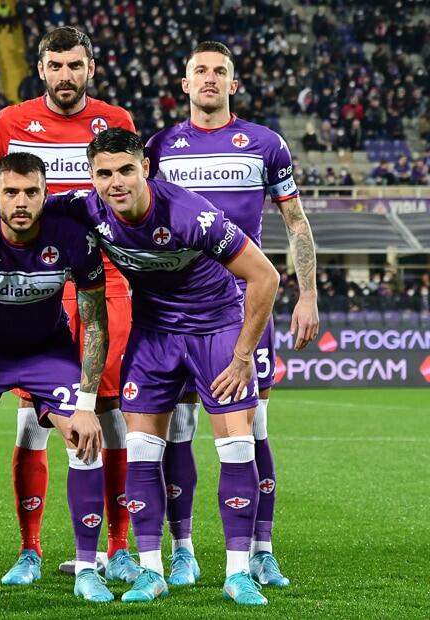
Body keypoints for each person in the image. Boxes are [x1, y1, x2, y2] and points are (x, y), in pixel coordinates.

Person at [12, 128, 278, 605]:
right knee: (140, 448)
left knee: (236, 446)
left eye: (126, 170)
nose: (116, 182)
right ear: (91, 177)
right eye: (104, 173)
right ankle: (151, 571)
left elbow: (265, 276)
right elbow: (22, 211)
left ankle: (238, 573)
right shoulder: (86, 208)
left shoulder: (190, 215)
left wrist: (242, 357)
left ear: (146, 169)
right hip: (152, 336)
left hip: (213, 330)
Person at [0, 26, 139, 585]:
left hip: (101, 278)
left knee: (105, 412)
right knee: (29, 422)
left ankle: (116, 547)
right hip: (32, 283)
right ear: (41, 69)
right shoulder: (12, 123)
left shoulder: (119, 121)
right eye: (56, 65)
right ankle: (30, 550)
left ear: (91, 67)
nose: (66, 75)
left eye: (75, 65)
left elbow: (129, 194)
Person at [145, 40, 317, 589]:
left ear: (234, 83)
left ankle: (261, 549)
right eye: (201, 72)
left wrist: (307, 296)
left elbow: (296, 224)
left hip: (244, 314)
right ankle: (182, 549)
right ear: (185, 83)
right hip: (174, 313)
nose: (211, 79)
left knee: (253, 429)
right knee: (180, 428)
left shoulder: (265, 145)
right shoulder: (161, 146)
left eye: (221, 71)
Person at [0, 152, 110, 604]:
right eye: (10, 191)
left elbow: (95, 321)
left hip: (46, 351)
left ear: (46, 193)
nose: (21, 201)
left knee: (85, 436)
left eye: (31, 191)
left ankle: (88, 569)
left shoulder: (72, 237)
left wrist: (87, 406)